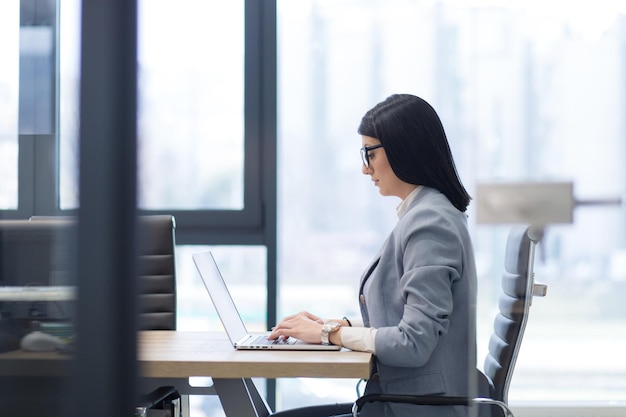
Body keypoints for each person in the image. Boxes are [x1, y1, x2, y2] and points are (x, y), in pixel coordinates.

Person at [269, 93, 477, 417]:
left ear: (403, 148)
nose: (365, 168)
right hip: (404, 399)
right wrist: (338, 325)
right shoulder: (425, 214)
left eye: (369, 153)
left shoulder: (431, 223)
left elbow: (413, 342)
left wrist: (329, 334)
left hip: (415, 407)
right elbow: (405, 315)